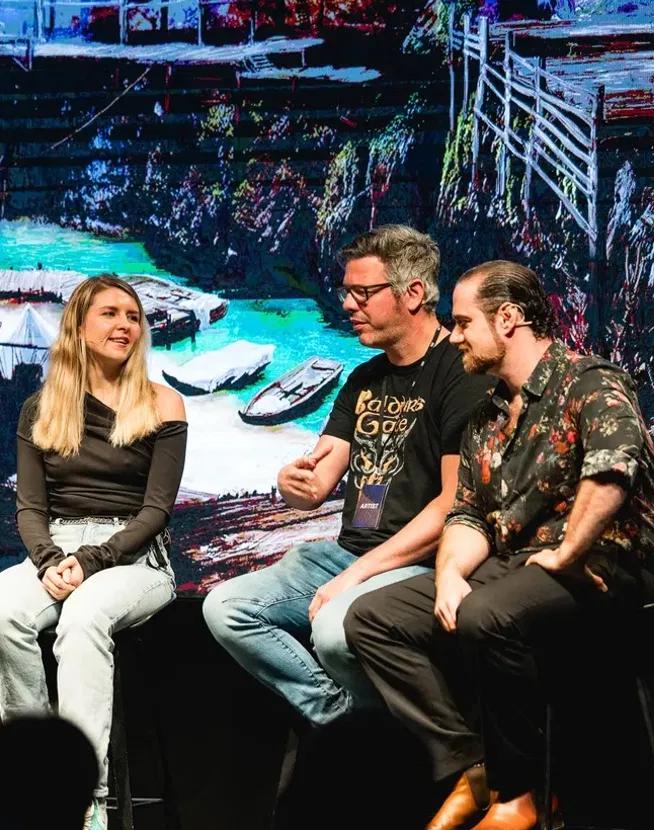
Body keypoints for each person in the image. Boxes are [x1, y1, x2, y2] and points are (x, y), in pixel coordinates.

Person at [346, 260, 654, 830]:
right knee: (373, 617)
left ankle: (519, 796)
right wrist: (449, 572)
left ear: (508, 319)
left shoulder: (589, 381)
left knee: (486, 615)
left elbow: (611, 472)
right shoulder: (487, 415)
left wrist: (569, 551)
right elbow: (469, 512)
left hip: (611, 561)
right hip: (523, 564)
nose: (452, 337)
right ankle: (470, 766)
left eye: (461, 323)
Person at [202, 225, 494, 730]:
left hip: (421, 563)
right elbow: (316, 484)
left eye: (363, 293)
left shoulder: (459, 373)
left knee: (336, 632)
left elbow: (453, 503)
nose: (349, 305)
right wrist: (290, 482)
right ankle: (348, 725)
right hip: (345, 554)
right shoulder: (362, 379)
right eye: (347, 293)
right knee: (226, 608)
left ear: (414, 293)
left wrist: (355, 577)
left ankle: (404, 744)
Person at [0, 275, 187, 830]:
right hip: (54, 550)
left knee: (86, 618)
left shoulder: (164, 405)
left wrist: (90, 561)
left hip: (133, 556)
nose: (126, 326)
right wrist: (48, 560)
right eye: (111, 314)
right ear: (79, 327)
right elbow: (30, 507)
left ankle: (83, 799)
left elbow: (156, 512)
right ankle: (37, 774)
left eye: (134, 317)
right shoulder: (39, 409)